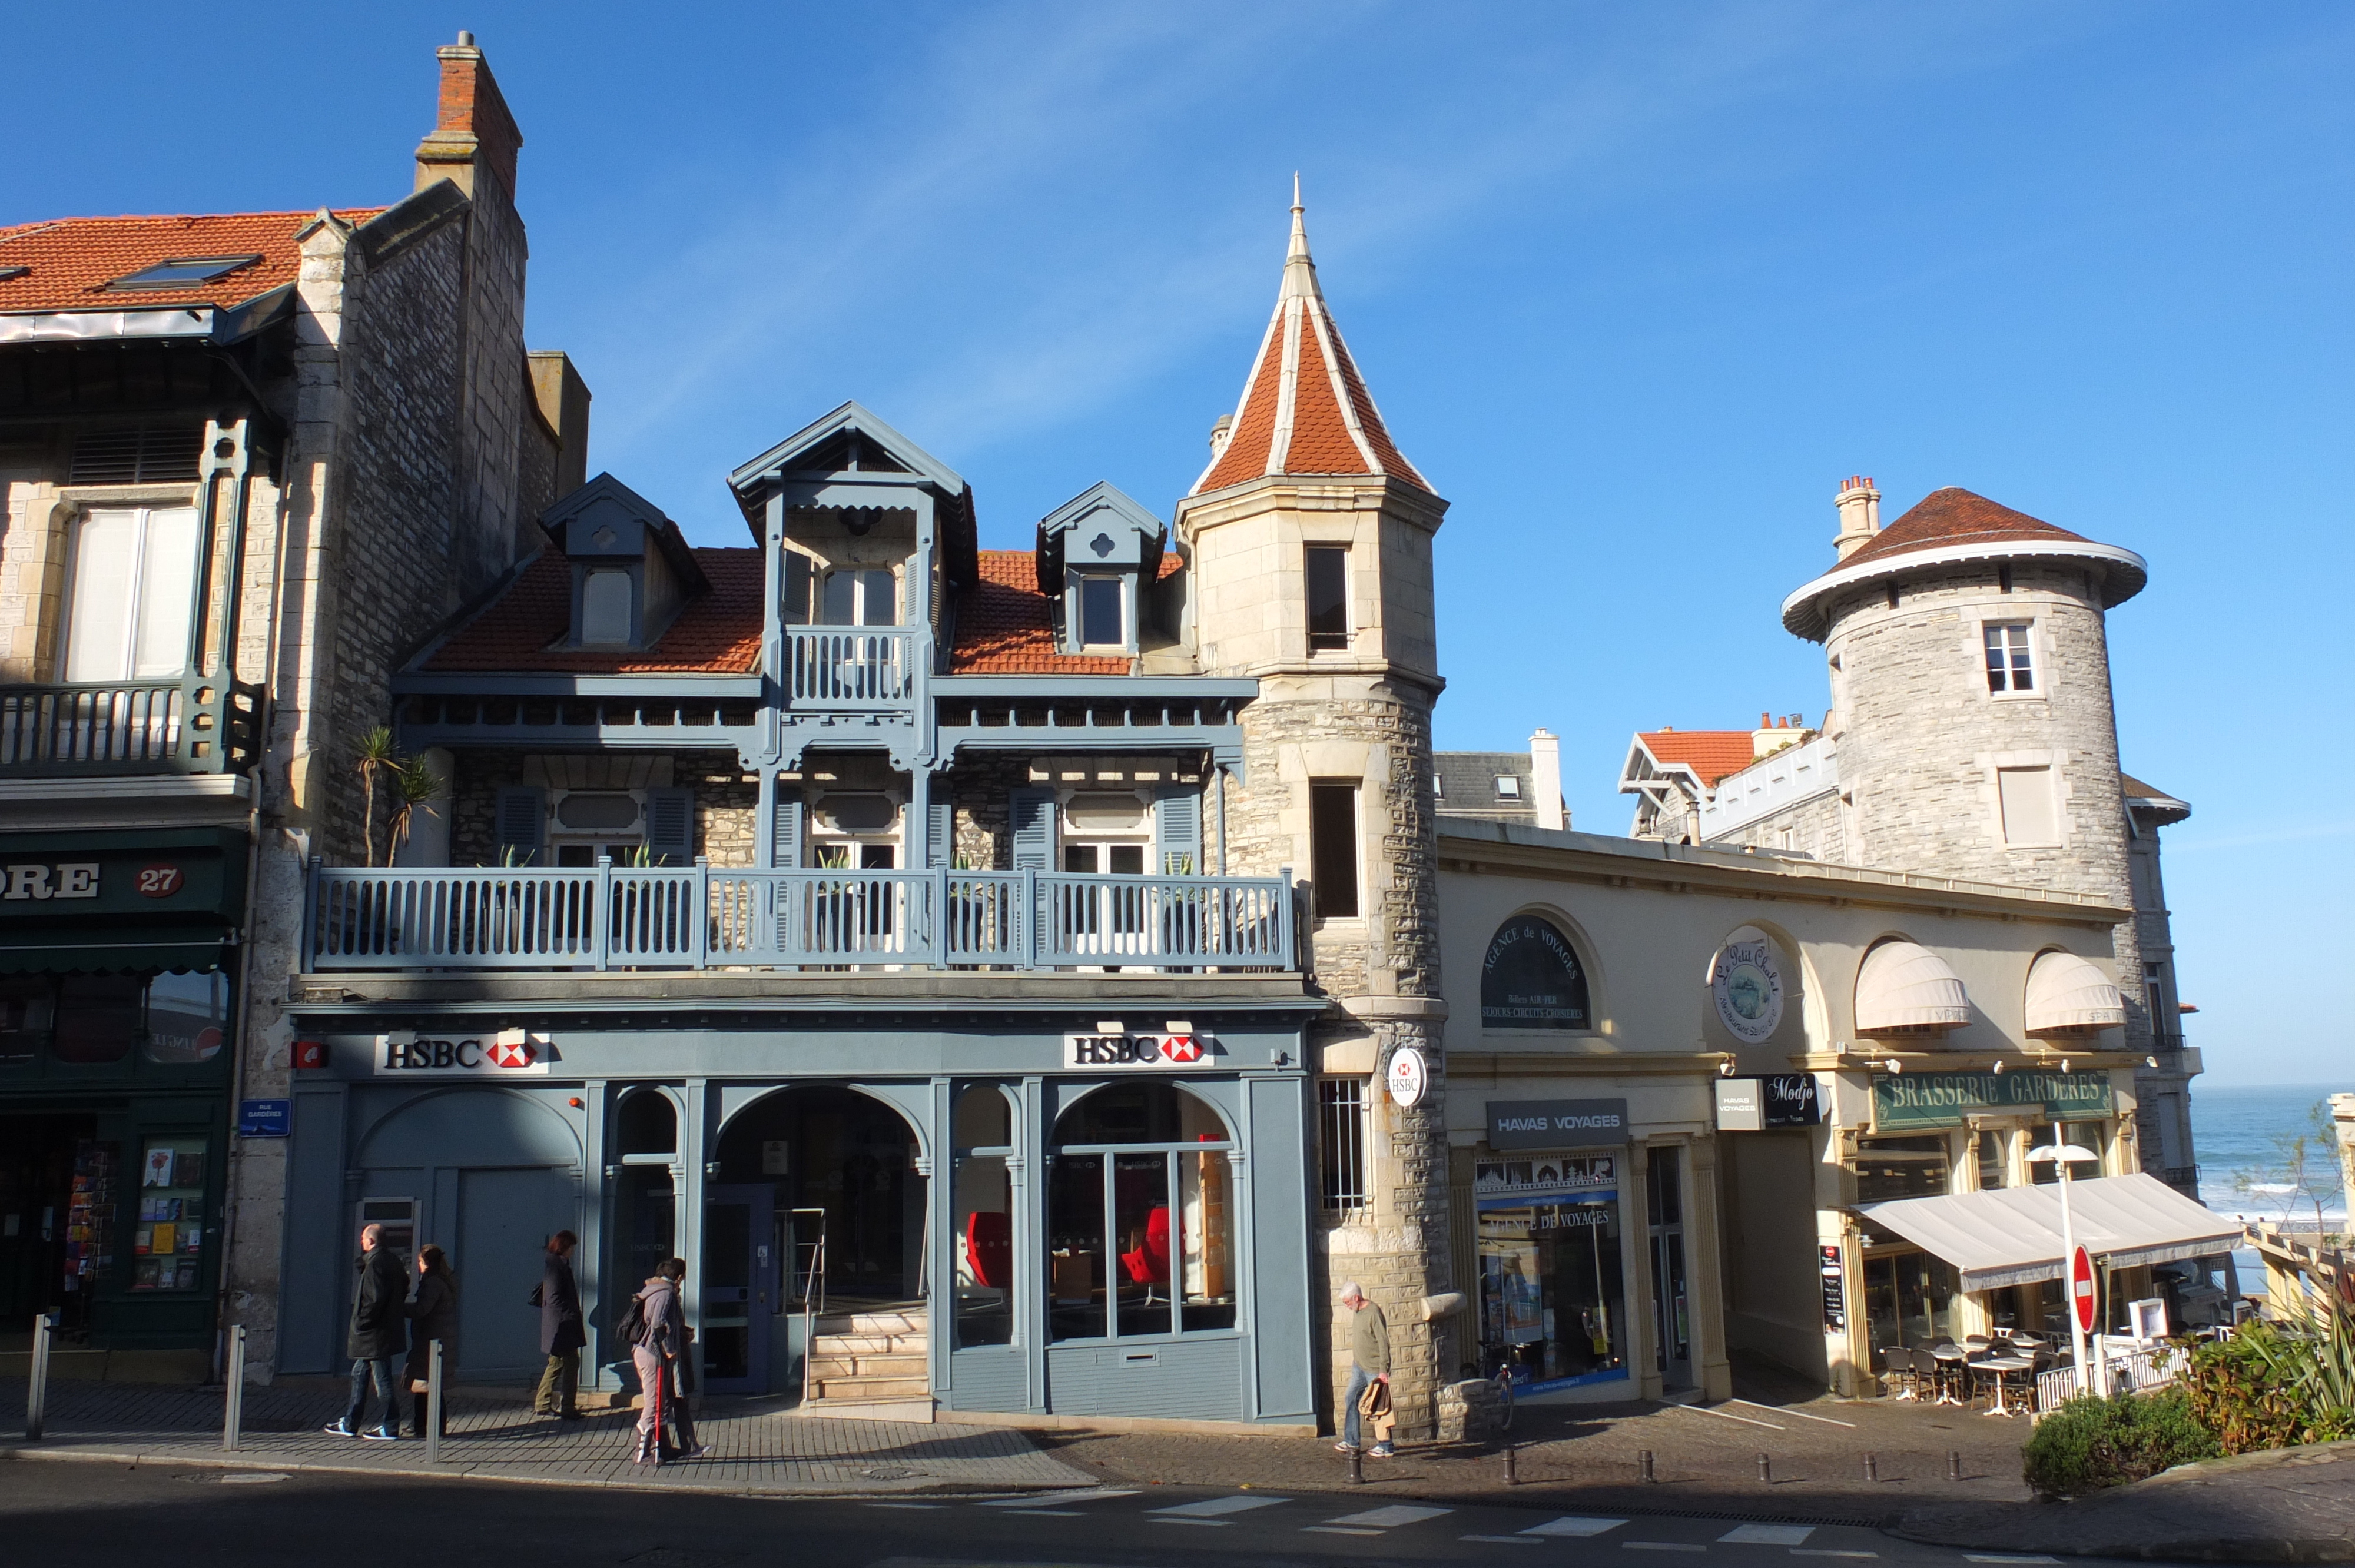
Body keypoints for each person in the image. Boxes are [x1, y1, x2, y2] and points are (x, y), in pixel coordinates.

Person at [325, 1222, 407, 1439]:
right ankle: (350, 1423)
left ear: (371, 1241)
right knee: (359, 1375)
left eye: (363, 1238)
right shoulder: (392, 1261)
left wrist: (363, 1322)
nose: (361, 1241)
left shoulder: (377, 1264)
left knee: (382, 1382)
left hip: (374, 1335)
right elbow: (403, 1288)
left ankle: (390, 1426)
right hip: (381, 1333)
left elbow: (374, 1299)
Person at [631, 1257, 689, 1466]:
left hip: (646, 1351)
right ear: (679, 1277)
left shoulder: (654, 1290)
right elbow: (657, 1323)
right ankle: (642, 1453)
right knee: (653, 1404)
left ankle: (662, 1448)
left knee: (662, 1403)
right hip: (653, 1353)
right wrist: (669, 1349)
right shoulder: (665, 1293)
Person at [403, 1244, 459, 1439]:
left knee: (425, 1387)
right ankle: (428, 1427)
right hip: (437, 1341)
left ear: (425, 1262)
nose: (418, 1265)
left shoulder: (433, 1283)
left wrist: (399, 1308)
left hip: (431, 1344)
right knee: (430, 1388)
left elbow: (422, 1310)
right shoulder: (443, 1280)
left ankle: (424, 1428)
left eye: (419, 1261)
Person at [1334, 1280, 1394, 1459]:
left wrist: (1384, 1369)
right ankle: (1351, 1440)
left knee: (1379, 1406)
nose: (1347, 1306)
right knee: (1351, 1397)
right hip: (1359, 1366)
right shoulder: (1357, 1311)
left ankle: (1386, 1446)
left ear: (1357, 1298)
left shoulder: (1373, 1313)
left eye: (1347, 1302)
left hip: (1374, 1369)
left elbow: (1383, 1342)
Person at [529, 1230, 585, 1420]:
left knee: (556, 1363)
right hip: (562, 1326)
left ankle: (543, 1403)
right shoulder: (556, 1267)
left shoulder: (556, 1264)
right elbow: (553, 1298)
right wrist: (570, 1314)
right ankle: (568, 1406)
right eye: (571, 1248)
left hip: (557, 1325)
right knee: (571, 1363)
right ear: (564, 1247)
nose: (573, 1252)